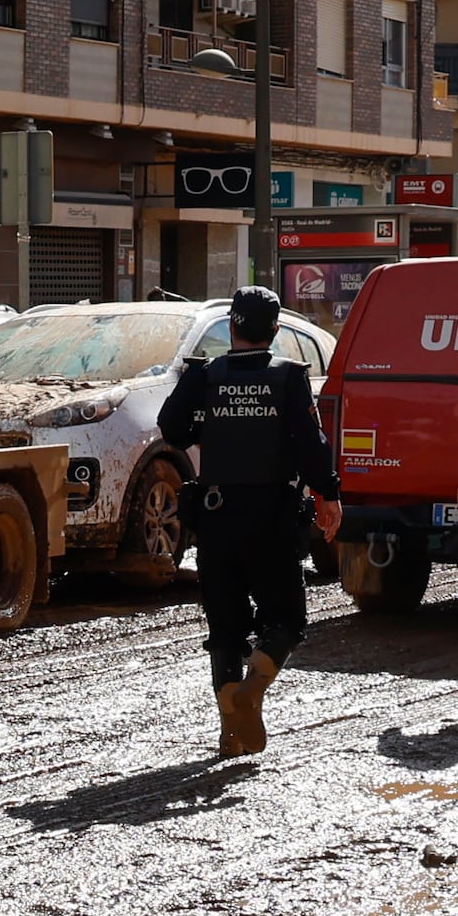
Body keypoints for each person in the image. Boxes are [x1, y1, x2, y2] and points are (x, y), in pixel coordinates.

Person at [151, 284, 337, 759]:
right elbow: (309, 446)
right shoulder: (289, 377)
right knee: (288, 620)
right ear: (274, 330)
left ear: (232, 326)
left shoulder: (206, 375)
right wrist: (328, 496)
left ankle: (230, 731)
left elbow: (170, 426)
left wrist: (205, 428)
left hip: (216, 517)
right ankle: (252, 692)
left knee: (225, 629)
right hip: (271, 518)